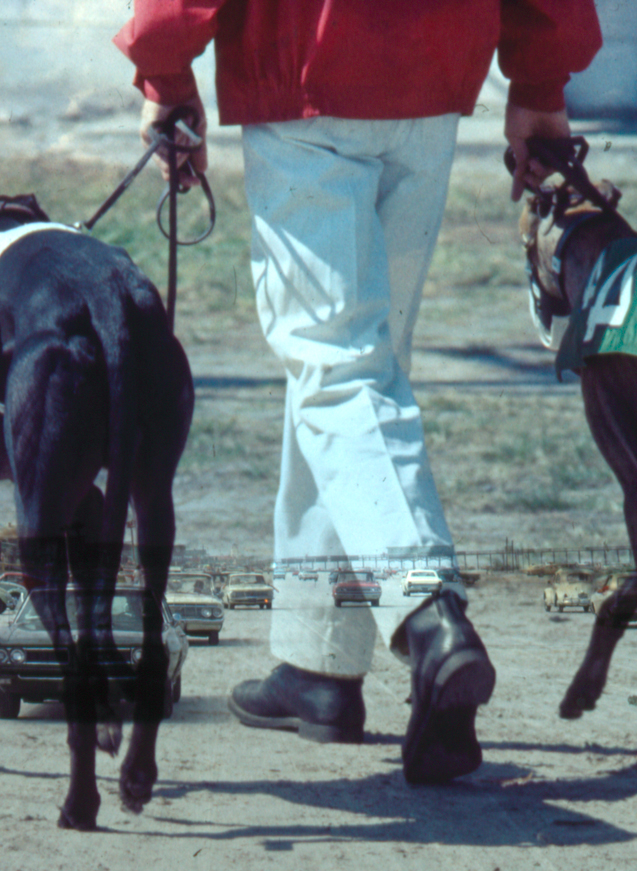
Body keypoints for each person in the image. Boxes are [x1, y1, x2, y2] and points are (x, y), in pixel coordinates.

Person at [115, 0, 601, 783]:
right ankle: (318, 665)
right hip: (432, 86)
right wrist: (540, 83)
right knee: (353, 373)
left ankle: (426, 611)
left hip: (305, 83)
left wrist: (166, 69)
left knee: (338, 370)